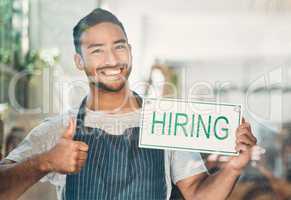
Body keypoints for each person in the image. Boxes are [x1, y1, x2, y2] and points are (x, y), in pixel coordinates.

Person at [0, 8, 257, 200]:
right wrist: (44, 162)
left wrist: (233, 169)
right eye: (97, 50)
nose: (112, 59)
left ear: (130, 51)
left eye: (119, 47)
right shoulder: (57, 130)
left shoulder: (167, 122)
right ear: (79, 61)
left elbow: (198, 193)